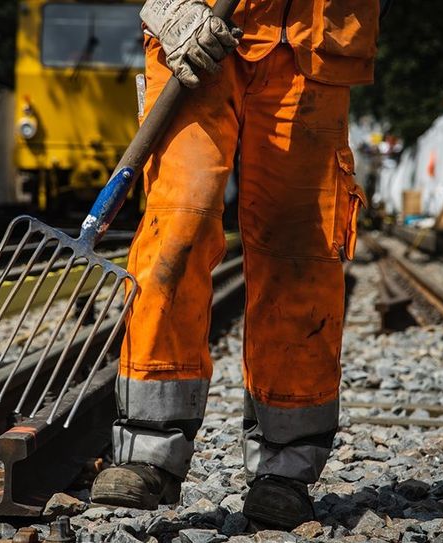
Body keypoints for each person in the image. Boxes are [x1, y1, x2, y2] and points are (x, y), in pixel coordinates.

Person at [90, 0, 380, 529]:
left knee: (301, 253)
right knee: (177, 229)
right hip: (196, 28)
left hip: (311, 44)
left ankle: (285, 470)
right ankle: (147, 451)